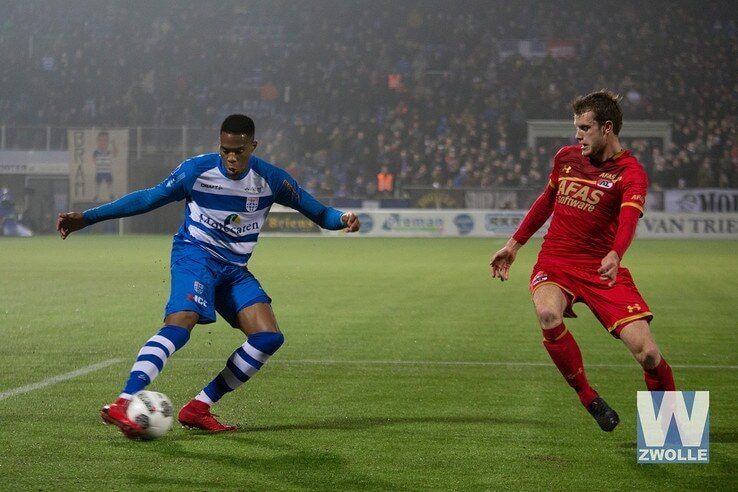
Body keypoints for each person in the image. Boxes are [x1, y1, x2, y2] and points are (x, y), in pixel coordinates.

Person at [57, 114, 360, 439]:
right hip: (195, 256)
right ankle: (124, 401)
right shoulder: (196, 170)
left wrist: (343, 218)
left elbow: (319, 212)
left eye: (238, 151)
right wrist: (88, 218)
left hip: (234, 270)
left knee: (268, 337)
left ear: (253, 146)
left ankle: (199, 407)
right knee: (181, 322)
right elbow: (148, 198)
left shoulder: (271, 179)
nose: (230, 157)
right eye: (225, 149)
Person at [489, 91, 675, 432]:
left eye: (585, 127)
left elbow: (630, 219)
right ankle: (588, 396)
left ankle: (670, 430)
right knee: (547, 313)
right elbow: (546, 202)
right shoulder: (566, 158)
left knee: (647, 354)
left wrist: (616, 254)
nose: (577, 135)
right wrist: (513, 245)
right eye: (576, 127)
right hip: (556, 260)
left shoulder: (631, 173)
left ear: (607, 128)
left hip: (602, 267)